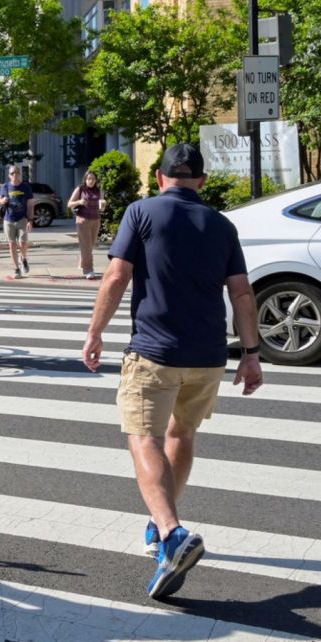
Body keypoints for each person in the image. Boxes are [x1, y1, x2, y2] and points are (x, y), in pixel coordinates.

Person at [81, 143, 263, 600]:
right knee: (182, 435)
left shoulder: (141, 213)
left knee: (144, 437)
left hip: (154, 352)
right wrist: (252, 353)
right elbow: (241, 294)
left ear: (160, 178)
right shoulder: (222, 225)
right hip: (207, 356)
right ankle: (159, 524)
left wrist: (94, 332)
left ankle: (172, 532)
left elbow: (117, 277)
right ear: (201, 181)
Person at [67, 170, 106, 280]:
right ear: (85, 179)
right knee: (86, 247)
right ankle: (89, 270)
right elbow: (69, 204)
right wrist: (79, 202)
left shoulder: (99, 191)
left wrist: (103, 205)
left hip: (96, 220)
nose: (91, 181)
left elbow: (102, 207)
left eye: (93, 179)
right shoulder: (80, 189)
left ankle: (82, 262)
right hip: (82, 220)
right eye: (89, 179)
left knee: (91, 245)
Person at [0, 165, 33, 278]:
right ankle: (16, 268)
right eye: (12, 173)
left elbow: (30, 204)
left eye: (17, 173)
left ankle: (23, 258)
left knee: (23, 243)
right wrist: (2, 200)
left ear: (20, 174)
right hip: (8, 219)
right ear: (9, 175)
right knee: (12, 244)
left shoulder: (25, 187)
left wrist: (30, 220)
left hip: (22, 218)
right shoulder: (5, 186)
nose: (15, 175)